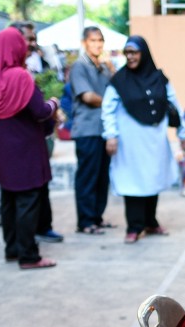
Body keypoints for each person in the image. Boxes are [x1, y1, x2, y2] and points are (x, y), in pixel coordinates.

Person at [0, 27, 58, 271]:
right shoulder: (20, 76)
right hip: (25, 148)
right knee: (28, 201)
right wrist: (53, 103)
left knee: (9, 200)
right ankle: (29, 256)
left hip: (2, 148)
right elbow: (40, 111)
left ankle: (13, 249)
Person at [102, 36, 185, 244]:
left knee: (153, 178)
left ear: (144, 53)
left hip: (154, 139)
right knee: (133, 182)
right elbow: (108, 110)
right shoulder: (119, 81)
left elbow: (173, 104)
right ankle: (134, 226)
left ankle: (150, 222)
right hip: (131, 142)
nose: (130, 57)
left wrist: (182, 133)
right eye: (127, 53)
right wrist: (111, 135)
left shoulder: (159, 78)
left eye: (134, 52)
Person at [69, 26, 115, 234]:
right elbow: (88, 97)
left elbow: (118, 89)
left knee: (102, 177)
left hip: (104, 130)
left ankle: (97, 216)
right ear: (84, 43)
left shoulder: (104, 67)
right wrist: (110, 104)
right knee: (87, 177)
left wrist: (112, 69)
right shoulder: (79, 66)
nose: (97, 44)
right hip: (87, 130)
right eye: (93, 40)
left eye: (100, 40)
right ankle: (86, 221)